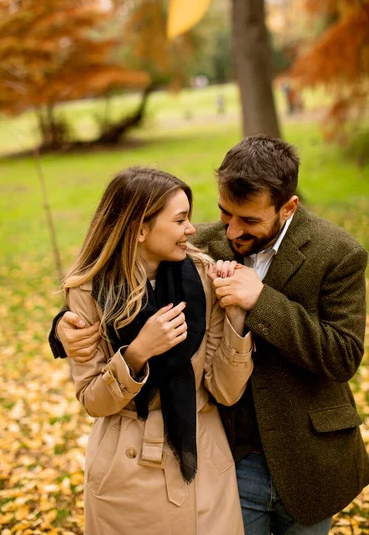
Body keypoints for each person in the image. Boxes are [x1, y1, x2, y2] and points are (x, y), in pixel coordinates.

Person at [50, 136, 369, 535]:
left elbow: (342, 356)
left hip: (308, 456)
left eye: (249, 220)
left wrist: (261, 301)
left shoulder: (338, 253)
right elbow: (118, 273)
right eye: (224, 213)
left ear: (287, 208)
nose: (232, 230)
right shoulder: (197, 243)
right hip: (232, 454)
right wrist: (62, 326)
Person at [55, 166, 253, 535]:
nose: (192, 229)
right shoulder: (87, 292)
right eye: (180, 220)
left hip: (202, 462)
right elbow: (93, 402)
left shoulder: (203, 278)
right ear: (140, 229)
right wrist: (136, 354)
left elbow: (225, 390)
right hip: (126, 468)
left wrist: (237, 321)